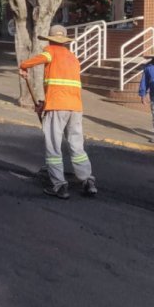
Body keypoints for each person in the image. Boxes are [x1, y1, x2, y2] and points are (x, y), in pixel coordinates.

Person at [19, 24, 97, 198]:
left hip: (58, 107)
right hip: (75, 107)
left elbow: (36, 60)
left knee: (53, 146)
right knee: (76, 145)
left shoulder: (51, 51)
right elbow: (62, 87)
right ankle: (87, 180)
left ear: (51, 40)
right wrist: (44, 104)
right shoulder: (73, 58)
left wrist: (24, 66)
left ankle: (59, 185)